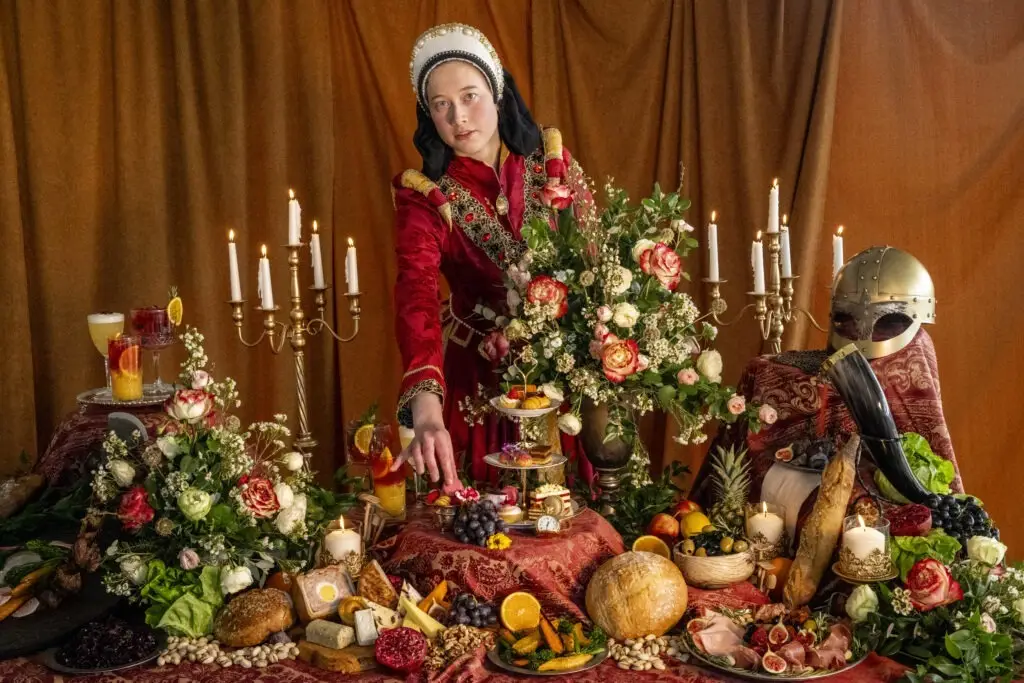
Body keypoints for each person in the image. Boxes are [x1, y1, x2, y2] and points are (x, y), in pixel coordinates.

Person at [389, 23, 591, 491]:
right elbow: (415, 293)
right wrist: (425, 409)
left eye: (469, 96)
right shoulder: (426, 198)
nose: (458, 116)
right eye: (441, 105)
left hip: (564, 381)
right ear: (429, 117)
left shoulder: (551, 165)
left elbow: (591, 265)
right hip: (478, 381)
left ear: (497, 94)